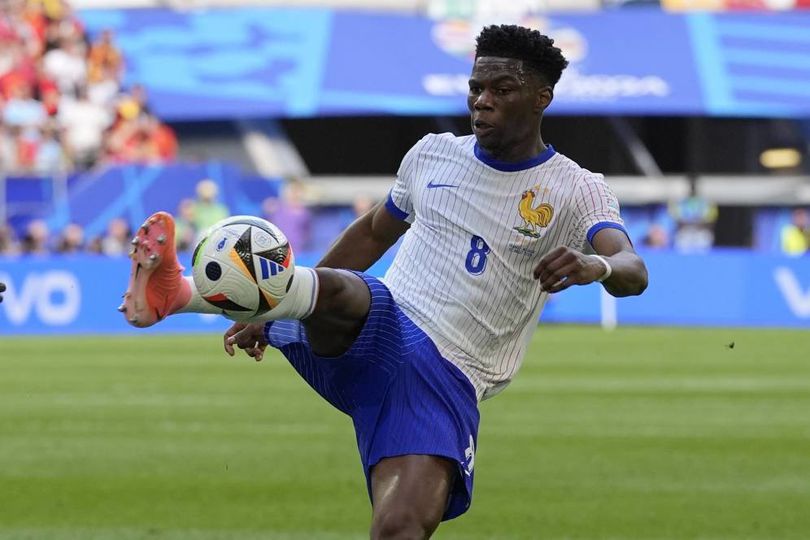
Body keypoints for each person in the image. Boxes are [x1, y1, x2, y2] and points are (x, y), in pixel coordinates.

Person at [119, 25, 648, 538]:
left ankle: (194, 294)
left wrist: (596, 267)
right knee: (348, 290)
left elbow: (633, 269)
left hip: (448, 378)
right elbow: (373, 233)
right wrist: (276, 307)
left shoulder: (576, 188)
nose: (482, 101)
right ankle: (175, 292)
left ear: (541, 98)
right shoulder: (433, 154)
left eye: (501, 90)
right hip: (384, 324)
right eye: (476, 87)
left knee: (402, 526)